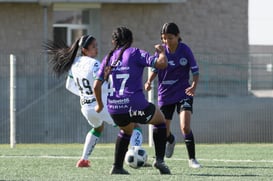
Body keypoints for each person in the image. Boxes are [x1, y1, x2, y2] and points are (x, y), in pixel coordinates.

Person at [43, 35, 143, 168]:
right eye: (93, 46)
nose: (96, 49)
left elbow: (69, 85)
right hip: (101, 106)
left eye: (96, 45)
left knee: (97, 128)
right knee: (134, 126)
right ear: (84, 49)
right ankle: (135, 154)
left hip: (86, 108)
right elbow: (101, 84)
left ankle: (83, 160)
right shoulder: (94, 63)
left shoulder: (75, 64)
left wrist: (86, 94)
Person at [93, 26, 171, 175]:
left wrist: (100, 105)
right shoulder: (134, 53)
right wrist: (161, 52)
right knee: (160, 121)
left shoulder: (108, 58)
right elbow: (162, 64)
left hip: (114, 108)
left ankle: (117, 167)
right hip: (135, 104)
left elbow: (96, 85)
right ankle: (159, 160)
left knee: (126, 130)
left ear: (113, 41)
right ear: (130, 40)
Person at [145, 22, 201, 168]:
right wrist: (149, 81)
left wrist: (194, 86)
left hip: (183, 92)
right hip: (165, 94)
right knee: (165, 130)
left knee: (185, 126)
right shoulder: (161, 52)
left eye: (170, 38)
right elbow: (154, 69)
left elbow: (195, 71)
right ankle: (170, 140)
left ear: (178, 36)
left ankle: (192, 159)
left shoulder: (185, 50)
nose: (166, 41)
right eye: (164, 38)